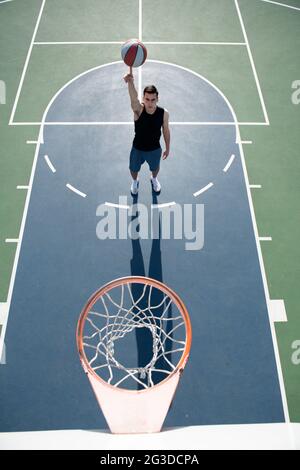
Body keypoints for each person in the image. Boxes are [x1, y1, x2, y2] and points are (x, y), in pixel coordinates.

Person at [123, 67, 170, 196]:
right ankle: (135, 181)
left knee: (155, 168)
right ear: (143, 99)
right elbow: (133, 99)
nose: (150, 102)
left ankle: (153, 179)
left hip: (154, 148)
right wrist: (130, 82)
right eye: (147, 99)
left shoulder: (164, 113)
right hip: (138, 147)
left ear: (157, 99)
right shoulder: (139, 110)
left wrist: (168, 147)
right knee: (133, 169)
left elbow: (166, 130)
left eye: (153, 99)